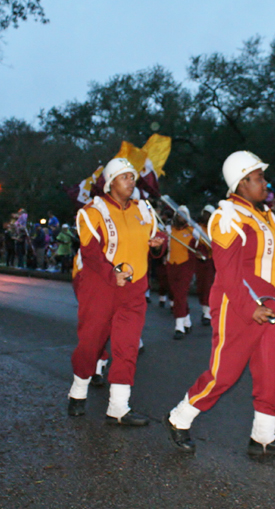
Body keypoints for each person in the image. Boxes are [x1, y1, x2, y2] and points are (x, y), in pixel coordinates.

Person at [164, 150, 275, 457]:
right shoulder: (227, 216)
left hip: (272, 305)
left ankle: (263, 438)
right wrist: (249, 307)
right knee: (224, 373)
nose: (264, 182)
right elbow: (227, 272)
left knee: (273, 371)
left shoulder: (267, 215)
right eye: (258, 177)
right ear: (241, 183)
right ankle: (179, 418)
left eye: (263, 176)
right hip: (238, 305)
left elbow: (274, 259)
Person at [67, 157, 162, 425]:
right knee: (92, 342)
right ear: (110, 182)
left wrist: (157, 245)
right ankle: (78, 391)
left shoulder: (144, 209)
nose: (131, 181)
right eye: (125, 177)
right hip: (99, 286)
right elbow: (91, 253)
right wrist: (112, 275)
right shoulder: (92, 211)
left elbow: (158, 240)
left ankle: (118, 408)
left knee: (127, 346)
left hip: (134, 288)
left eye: (132, 177)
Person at [166, 206, 197, 340]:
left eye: (183, 214)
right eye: (178, 214)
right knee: (176, 294)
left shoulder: (194, 231)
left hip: (186, 265)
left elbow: (203, 246)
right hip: (171, 265)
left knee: (180, 293)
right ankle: (187, 320)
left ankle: (179, 327)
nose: (181, 217)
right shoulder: (168, 230)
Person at [194, 205, 216, 325]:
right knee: (202, 286)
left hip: (212, 261)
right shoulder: (197, 228)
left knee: (210, 286)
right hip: (200, 261)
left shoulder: (215, 229)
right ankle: (204, 309)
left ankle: (209, 312)